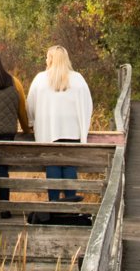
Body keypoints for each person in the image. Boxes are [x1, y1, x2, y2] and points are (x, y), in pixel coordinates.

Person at [28, 45, 94, 204]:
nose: (45, 60)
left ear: (51, 59)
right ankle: (71, 207)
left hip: (48, 132)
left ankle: (54, 205)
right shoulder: (78, 79)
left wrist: (32, 123)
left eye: (46, 57)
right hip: (73, 132)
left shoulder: (40, 79)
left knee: (53, 167)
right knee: (70, 167)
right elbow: (88, 104)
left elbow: (30, 105)